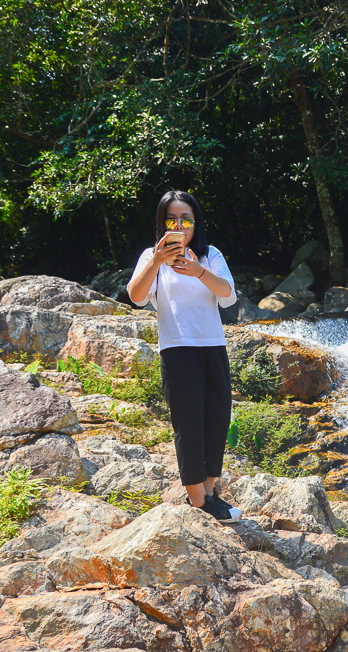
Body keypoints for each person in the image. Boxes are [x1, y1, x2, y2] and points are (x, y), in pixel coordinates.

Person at [127, 190, 242, 523]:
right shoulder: (152, 257)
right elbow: (136, 297)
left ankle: (208, 493)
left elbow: (228, 296)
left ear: (196, 223)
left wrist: (198, 271)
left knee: (217, 419)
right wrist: (156, 261)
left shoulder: (210, 256)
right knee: (189, 423)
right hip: (177, 348)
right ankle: (198, 500)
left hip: (212, 344)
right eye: (172, 220)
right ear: (163, 224)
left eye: (186, 219)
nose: (179, 225)